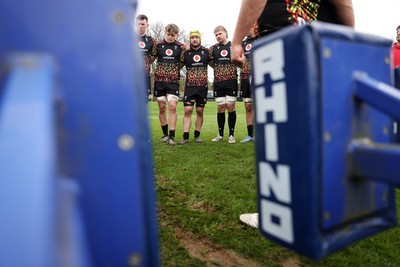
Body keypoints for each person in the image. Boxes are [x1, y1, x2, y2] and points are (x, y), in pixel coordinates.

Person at [231, 0, 355, 228]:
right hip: (310, 37)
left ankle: (280, 210)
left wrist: (237, 40)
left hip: (280, 37)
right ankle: (319, 204)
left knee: (280, 129)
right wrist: (348, 42)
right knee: (309, 127)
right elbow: (344, 4)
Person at [231, 0, 355, 67]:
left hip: (283, 23)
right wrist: (351, 40)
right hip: (310, 32)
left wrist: (236, 42)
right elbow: (345, 4)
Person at [151, 24, 185, 145]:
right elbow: (150, 60)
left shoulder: (181, 47)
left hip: (173, 82)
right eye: (169, 34)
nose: (170, 37)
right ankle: (165, 133)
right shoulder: (158, 45)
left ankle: (172, 136)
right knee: (162, 108)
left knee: (172, 106)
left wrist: (172, 70)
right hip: (159, 82)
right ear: (165, 33)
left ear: (177, 35)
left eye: (173, 35)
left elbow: (182, 63)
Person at [177, 30, 211, 145]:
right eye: (192, 37)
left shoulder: (206, 52)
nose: (194, 39)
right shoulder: (185, 53)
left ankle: (197, 135)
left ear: (200, 39)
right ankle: (185, 136)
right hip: (190, 86)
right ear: (190, 39)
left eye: (197, 37)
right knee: (188, 110)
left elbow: (215, 65)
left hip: (203, 87)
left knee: (200, 111)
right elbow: (178, 66)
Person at [209, 25, 238, 144]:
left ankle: (231, 135)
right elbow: (210, 62)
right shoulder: (213, 48)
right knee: (220, 107)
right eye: (216, 35)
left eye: (220, 33)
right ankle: (220, 134)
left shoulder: (234, 46)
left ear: (226, 33)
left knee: (230, 106)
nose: (218, 36)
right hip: (218, 82)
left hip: (231, 81)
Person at [239, 24, 257, 143]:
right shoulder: (242, 44)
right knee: (248, 106)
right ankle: (250, 135)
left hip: (258, 76)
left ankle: (261, 134)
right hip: (245, 78)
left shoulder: (260, 39)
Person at [135, 14, 156, 100]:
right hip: (131, 76)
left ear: (147, 25)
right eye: (138, 24)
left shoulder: (152, 40)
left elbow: (153, 57)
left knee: (143, 103)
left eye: (143, 24)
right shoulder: (128, 38)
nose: (140, 26)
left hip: (145, 76)